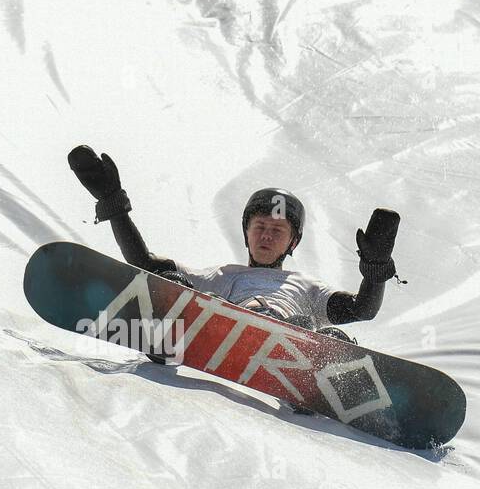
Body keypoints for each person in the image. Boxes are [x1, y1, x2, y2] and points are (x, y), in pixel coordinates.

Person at [67, 145, 402, 344]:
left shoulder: (307, 288)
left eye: (277, 230)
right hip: (226, 329)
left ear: (293, 242)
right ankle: (168, 337)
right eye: (259, 227)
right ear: (246, 233)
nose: (267, 235)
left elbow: (362, 310)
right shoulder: (222, 276)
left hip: (294, 339)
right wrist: (113, 204)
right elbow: (146, 264)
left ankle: (312, 369)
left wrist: (375, 271)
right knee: (175, 285)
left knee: (333, 341)